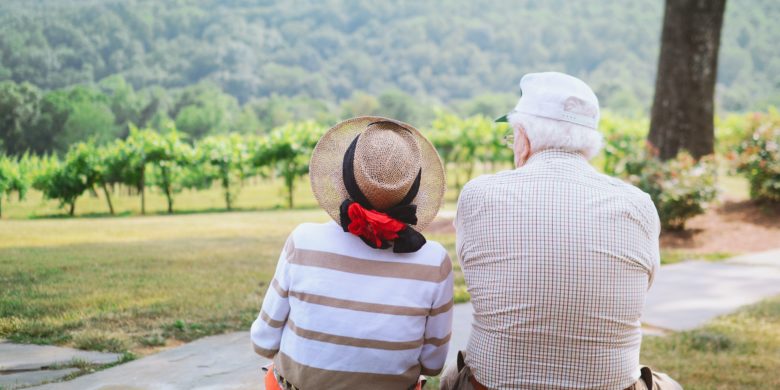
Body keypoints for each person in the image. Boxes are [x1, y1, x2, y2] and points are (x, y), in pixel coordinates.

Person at [443, 72, 682, 390]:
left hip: (491, 386)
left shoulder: (478, 195)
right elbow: (642, 286)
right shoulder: (639, 204)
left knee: (450, 377)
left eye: (512, 135)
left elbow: (477, 275)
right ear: (589, 142)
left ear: (524, 138)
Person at [250, 117, 454, 390]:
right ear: (412, 189)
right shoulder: (434, 261)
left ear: (345, 176)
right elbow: (433, 364)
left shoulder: (303, 241)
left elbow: (263, 341)